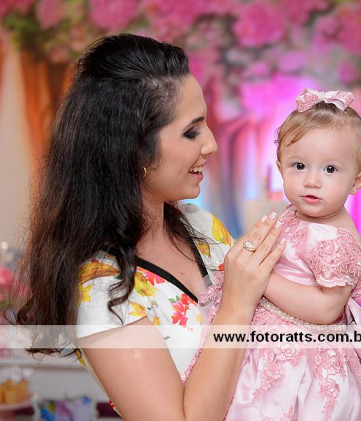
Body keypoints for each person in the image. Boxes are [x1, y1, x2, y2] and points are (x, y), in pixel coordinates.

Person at [13, 33, 286, 420]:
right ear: (133, 150)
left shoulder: (201, 228)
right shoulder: (102, 290)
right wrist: (236, 306)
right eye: (191, 132)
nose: (210, 144)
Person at [184, 88, 361, 420]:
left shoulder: (336, 238)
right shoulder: (296, 214)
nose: (312, 181)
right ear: (280, 168)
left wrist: (259, 278)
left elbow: (327, 308)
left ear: (357, 181)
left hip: (304, 358)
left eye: (330, 169)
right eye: (299, 165)